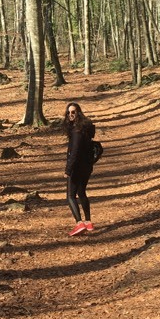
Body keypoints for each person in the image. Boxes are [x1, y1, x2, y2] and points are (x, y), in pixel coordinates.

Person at [63, 101, 96, 237]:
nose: (71, 115)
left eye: (73, 112)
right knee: (81, 192)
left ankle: (79, 223)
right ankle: (88, 222)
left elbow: (75, 152)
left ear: (78, 113)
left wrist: (68, 170)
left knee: (70, 195)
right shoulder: (85, 129)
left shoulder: (77, 131)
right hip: (87, 166)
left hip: (77, 167)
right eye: (69, 112)